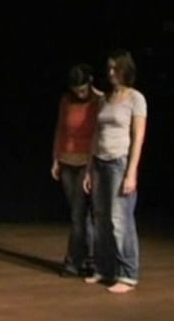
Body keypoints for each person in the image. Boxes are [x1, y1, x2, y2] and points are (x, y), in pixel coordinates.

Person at [83, 49, 147, 294]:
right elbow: (95, 135)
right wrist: (89, 169)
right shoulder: (104, 99)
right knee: (100, 219)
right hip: (99, 162)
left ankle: (127, 275)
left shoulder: (136, 98)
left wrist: (132, 172)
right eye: (109, 68)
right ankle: (103, 268)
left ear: (125, 69)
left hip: (119, 163)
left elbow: (138, 137)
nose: (110, 72)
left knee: (120, 220)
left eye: (115, 68)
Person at [51, 64, 102, 277]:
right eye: (75, 90)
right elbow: (60, 129)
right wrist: (55, 159)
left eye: (82, 89)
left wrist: (90, 167)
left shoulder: (98, 101)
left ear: (89, 83)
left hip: (85, 162)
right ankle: (88, 258)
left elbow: (98, 135)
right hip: (67, 161)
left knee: (79, 214)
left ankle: (74, 261)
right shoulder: (66, 100)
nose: (79, 94)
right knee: (78, 214)